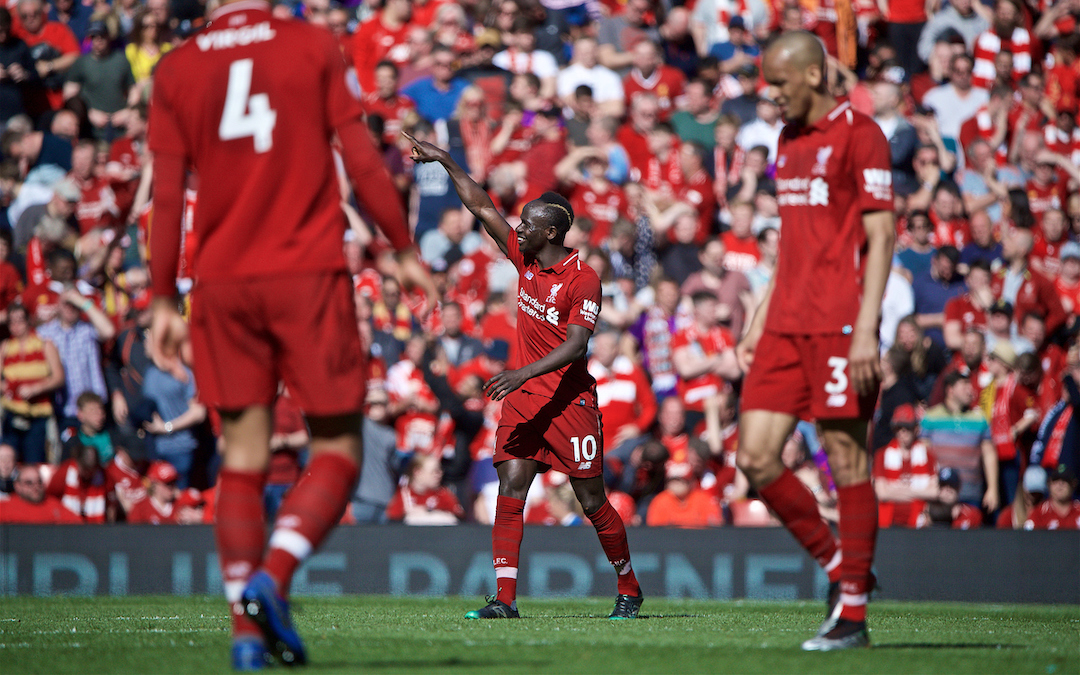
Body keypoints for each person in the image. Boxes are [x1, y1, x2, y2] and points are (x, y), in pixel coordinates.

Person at [147, 0, 436, 668]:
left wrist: (163, 294)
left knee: (241, 459)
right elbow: (361, 156)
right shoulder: (310, 44)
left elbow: (167, 196)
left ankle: (246, 641)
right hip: (306, 270)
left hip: (219, 281)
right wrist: (399, 245)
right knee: (337, 445)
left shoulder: (177, 69)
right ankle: (271, 578)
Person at [406, 130, 645, 620]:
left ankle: (628, 584)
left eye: (528, 224)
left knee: (592, 501)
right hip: (524, 399)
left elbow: (577, 346)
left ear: (551, 233)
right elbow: (483, 208)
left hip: (569, 402)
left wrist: (520, 373)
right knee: (511, 488)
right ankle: (506, 600)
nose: (518, 228)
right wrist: (447, 161)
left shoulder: (584, 279)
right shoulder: (526, 258)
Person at [734, 32, 896, 651]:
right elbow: (795, 239)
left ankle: (852, 615)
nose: (771, 96)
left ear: (810, 75)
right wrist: (757, 316)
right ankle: (843, 570)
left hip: (837, 323)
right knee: (754, 457)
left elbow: (880, 238)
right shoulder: (787, 139)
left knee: (846, 458)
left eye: (779, 83)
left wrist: (866, 329)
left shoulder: (862, 135)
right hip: (783, 323)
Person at [0, 303, 64, 464]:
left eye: (20, 320)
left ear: (29, 321)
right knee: (8, 460)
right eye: (12, 322)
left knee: (35, 461)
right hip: (12, 413)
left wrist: (36, 388)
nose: (16, 326)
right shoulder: (6, 347)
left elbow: (59, 377)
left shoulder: (44, 343)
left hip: (37, 414)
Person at [1024, 465, 1080, 530]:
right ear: (1049, 484)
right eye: (1055, 480)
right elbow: (1028, 538)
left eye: (1065, 481)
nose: (1060, 484)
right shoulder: (1038, 513)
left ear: (1073, 484)